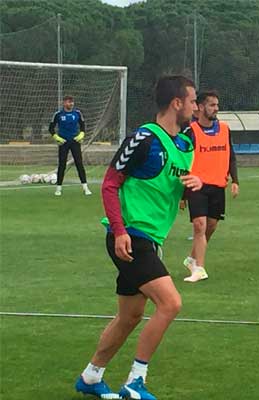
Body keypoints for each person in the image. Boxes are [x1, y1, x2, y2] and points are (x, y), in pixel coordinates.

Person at [74, 76, 202, 400]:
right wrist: (118, 231)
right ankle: (136, 381)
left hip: (151, 239)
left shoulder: (185, 144)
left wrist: (192, 185)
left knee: (130, 316)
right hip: (130, 237)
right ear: (177, 103)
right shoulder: (144, 138)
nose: (195, 106)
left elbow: (173, 190)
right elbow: (109, 184)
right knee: (171, 303)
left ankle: (91, 377)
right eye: (192, 100)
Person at [181, 90, 239, 283]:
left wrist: (235, 180)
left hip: (218, 186)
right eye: (212, 105)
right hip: (196, 186)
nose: (216, 109)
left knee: (210, 226)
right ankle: (199, 269)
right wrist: (182, 194)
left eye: (217, 105)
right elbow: (182, 162)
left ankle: (192, 259)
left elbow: (231, 155)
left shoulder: (224, 129)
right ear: (200, 107)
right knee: (200, 225)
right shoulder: (190, 132)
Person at [49, 95, 91, 196]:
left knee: (79, 164)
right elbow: (51, 128)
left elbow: (82, 126)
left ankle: (85, 188)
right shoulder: (58, 114)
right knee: (62, 165)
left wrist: (81, 134)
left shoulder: (77, 113)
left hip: (75, 142)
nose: (71, 104)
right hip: (63, 143)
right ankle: (58, 188)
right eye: (68, 102)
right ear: (64, 103)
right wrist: (57, 138)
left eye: (72, 102)